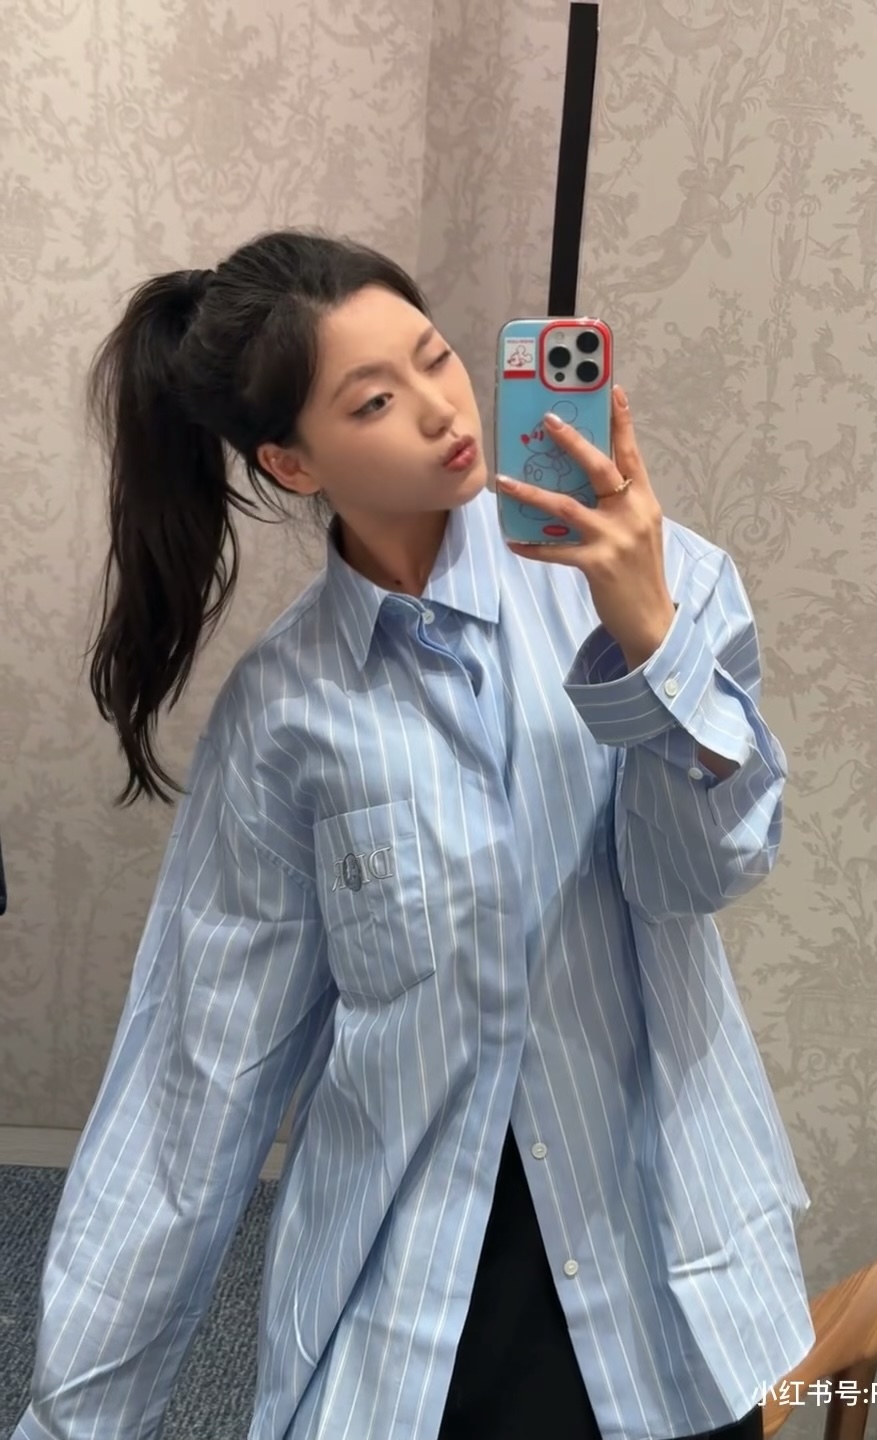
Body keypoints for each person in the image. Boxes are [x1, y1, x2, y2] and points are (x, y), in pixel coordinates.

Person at [12, 230, 812, 1440]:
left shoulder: (668, 580)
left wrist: (649, 647)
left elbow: (703, 870)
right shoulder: (286, 714)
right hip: (412, 1293)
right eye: (375, 400)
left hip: (662, 1256)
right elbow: (197, 1080)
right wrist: (76, 1420)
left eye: (437, 358)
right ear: (291, 461)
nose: (443, 409)